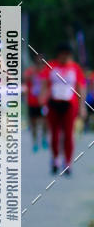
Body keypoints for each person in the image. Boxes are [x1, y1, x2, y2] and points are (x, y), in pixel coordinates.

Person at [42, 43, 86, 175]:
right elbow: (45, 85)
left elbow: (81, 88)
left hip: (69, 105)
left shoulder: (75, 68)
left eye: (68, 54)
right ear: (59, 54)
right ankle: (56, 158)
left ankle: (67, 162)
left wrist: (82, 107)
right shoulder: (51, 66)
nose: (65, 57)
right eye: (63, 54)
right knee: (54, 135)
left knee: (68, 135)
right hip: (53, 104)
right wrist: (42, 101)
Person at [23, 53, 49, 152]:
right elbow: (25, 79)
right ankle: (35, 142)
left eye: (41, 61)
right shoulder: (30, 71)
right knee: (33, 123)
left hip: (44, 102)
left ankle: (44, 138)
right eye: (38, 61)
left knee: (45, 122)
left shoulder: (47, 71)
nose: (39, 63)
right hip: (32, 101)